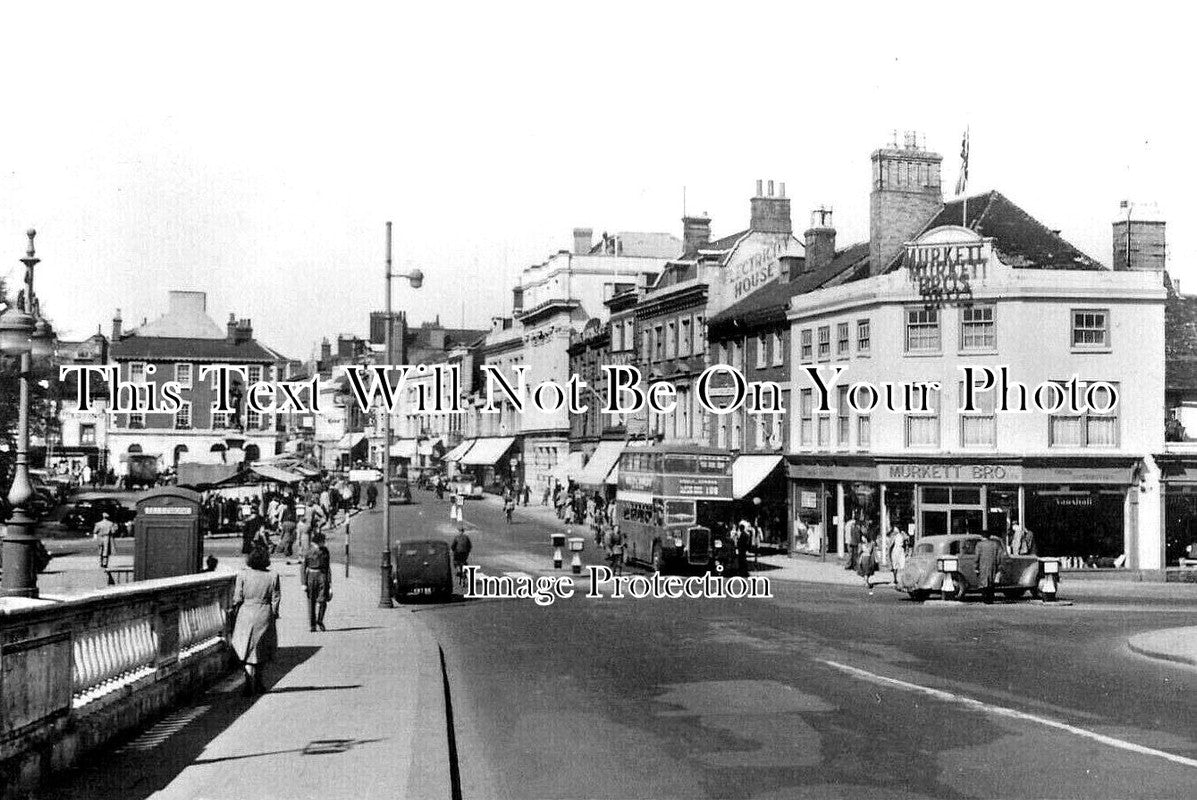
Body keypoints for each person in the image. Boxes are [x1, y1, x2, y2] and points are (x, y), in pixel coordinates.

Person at [230, 545, 281, 695]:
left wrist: (234, 611)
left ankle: (248, 682)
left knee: (244, 647)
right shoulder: (273, 576)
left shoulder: (243, 575)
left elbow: (237, 598)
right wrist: (273, 614)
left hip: (246, 612)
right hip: (264, 612)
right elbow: (276, 598)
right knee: (261, 648)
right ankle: (258, 681)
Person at [302, 531, 332, 632]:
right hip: (311, 577)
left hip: (322, 576)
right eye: (323, 541)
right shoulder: (308, 551)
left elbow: (328, 567)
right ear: (318, 542)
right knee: (311, 602)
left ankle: (320, 620)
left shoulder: (325, 551)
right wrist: (303, 583)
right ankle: (312, 625)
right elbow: (303, 567)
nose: (325, 543)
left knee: (323, 600)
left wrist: (330, 584)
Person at [976, 530, 1002, 604]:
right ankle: (991, 599)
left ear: (982, 536)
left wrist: (976, 566)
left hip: (982, 565)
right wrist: (998, 565)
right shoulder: (995, 544)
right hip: (993, 565)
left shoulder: (979, 545)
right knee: (991, 582)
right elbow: (999, 555)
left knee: (984, 582)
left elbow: (977, 556)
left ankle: (985, 598)